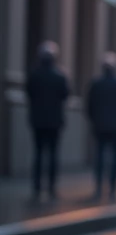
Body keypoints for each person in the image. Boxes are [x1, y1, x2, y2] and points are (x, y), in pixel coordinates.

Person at [86, 52, 116, 201]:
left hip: (100, 126)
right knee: (115, 158)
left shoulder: (96, 83)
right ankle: (113, 189)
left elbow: (89, 106)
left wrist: (94, 120)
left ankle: (99, 188)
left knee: (99, 157)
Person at [26, 42, 69, 200]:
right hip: (54, 121)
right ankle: (51, 187)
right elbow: (65, 95)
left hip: (38, 120)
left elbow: (29, 92)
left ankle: (37, 187)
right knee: (52, 154)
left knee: (38, 154)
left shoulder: (35, 74)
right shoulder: (59, 76)